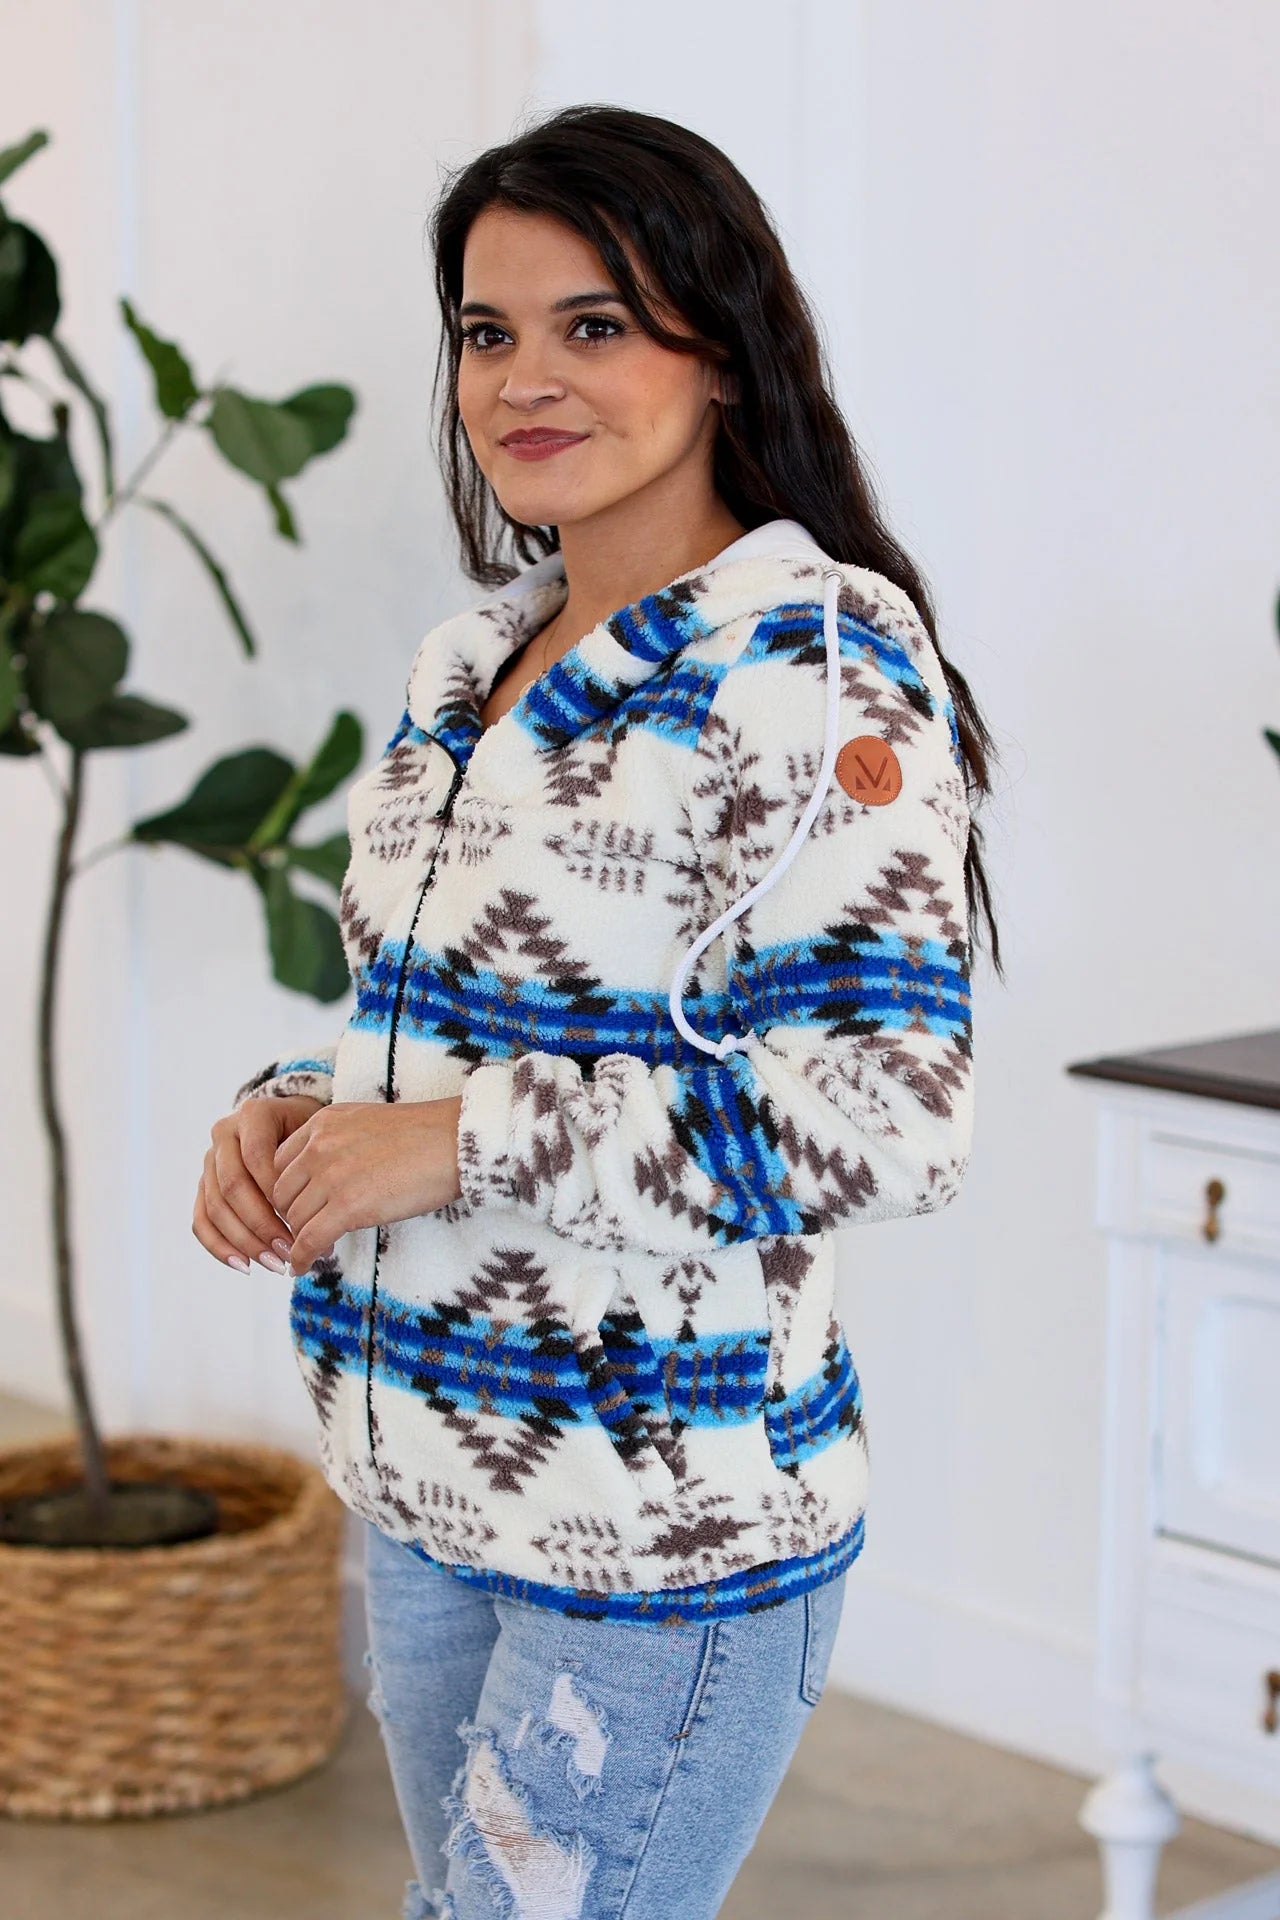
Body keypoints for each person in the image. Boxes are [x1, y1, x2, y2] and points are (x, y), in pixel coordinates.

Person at [195, 103, 1002, 1920]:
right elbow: (441, 1035)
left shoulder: (808, 663)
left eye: (597, 325)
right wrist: (296, 1107)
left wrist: (456, 1145)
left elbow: (888, 1114)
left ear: (720, 351)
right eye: (488, 332)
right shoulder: (471, 670)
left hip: (659, 1540)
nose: (525, 380)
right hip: (430, 1497)